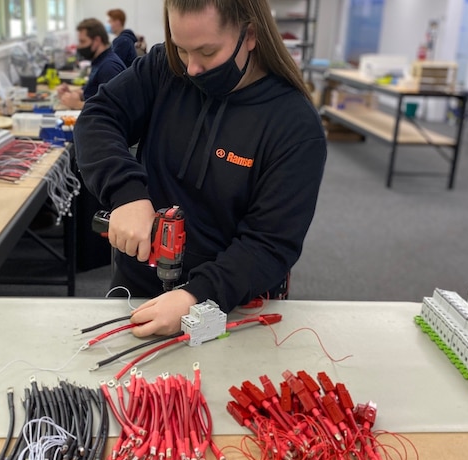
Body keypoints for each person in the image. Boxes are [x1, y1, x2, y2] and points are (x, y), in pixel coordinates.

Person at [74, 0, 326, 337]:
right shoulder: (164, 67)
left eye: (207, 52)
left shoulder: (294, 125)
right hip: (138, 289)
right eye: (182, 49)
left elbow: (270, 244)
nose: (191, 68)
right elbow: (98, 117)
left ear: (250, 35)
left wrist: (197, 296)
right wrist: (126, 193)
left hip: (229, 303)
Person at [56, 18, 125, 110]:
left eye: (83, 42)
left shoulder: (109, 66)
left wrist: (77, 104)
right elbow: (92, 90)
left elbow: (114, 108)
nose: (79, 46)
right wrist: (72, 93)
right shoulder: (99, 61)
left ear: (97, 41)